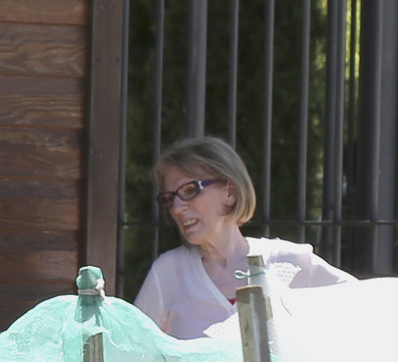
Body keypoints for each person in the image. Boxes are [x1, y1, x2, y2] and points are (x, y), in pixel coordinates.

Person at [132, 135, 354, 338]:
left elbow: (365, 307)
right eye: (169, 199)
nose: (177, 207)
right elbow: (133, 357)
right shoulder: (167, 273)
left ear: (230, 192)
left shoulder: (291, 262)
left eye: (190, 190)